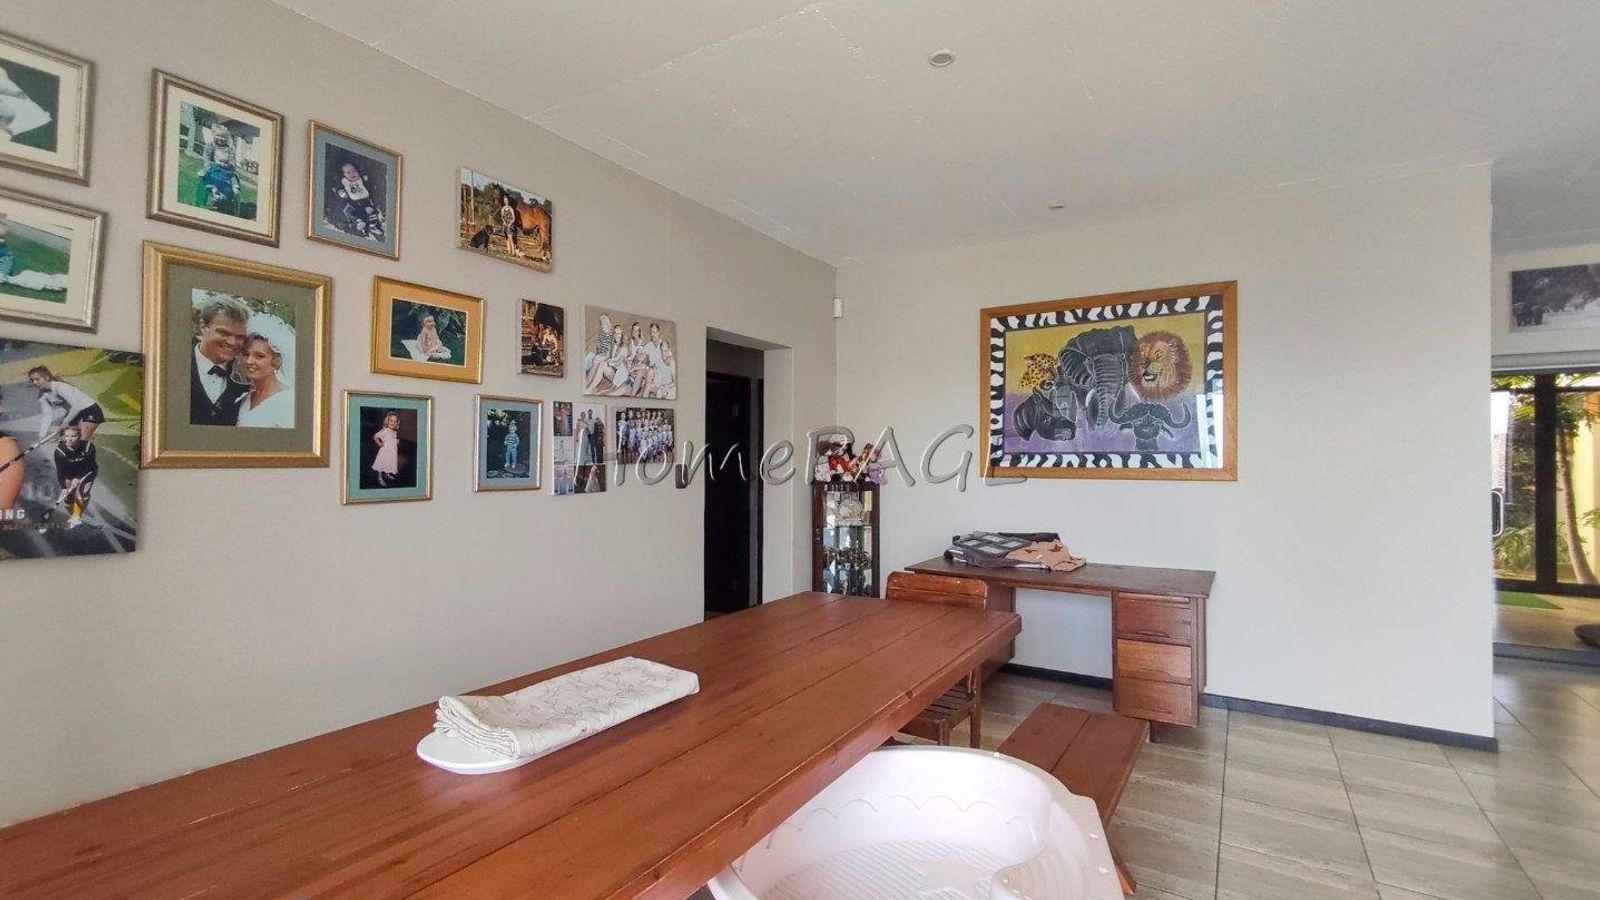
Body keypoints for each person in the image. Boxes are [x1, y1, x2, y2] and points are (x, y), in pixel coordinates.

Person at [191, 293, 251, 426]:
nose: (232, 342)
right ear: (203, 328)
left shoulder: (247, 376)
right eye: (224, 333)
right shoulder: (174, 364)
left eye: (240, 337)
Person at [236, 314, 294, 429]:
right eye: (246, 354)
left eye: (259, 356)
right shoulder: (244, 397)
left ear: (276, 361)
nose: (249, 361)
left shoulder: (287, 401)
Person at [28, 366, 103, 444]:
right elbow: (47, 416)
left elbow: (76, 406)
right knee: (66, 442)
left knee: (80, 442)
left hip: (89, 410)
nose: (34, 383)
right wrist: (42, 436)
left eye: (37, 379)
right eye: (32, 380)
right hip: (74, 414)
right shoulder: (42, 395)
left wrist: (65, 422)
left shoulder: (60, 387)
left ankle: (88, 439)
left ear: (47, 377)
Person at [52, 424, 96, 529]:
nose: (70, 439)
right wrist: (63, 487)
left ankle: (76, 517)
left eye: (73, 436)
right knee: (68, 496)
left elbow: (89, 465)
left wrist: (78, 478)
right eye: (67, 436)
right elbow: (60, 470)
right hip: (69, 472)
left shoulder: (88, 447)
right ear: (63, 437)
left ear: (79, 436)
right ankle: (73, 514)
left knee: (84, 492)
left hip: (87, 471)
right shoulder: (60, 452)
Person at [333, 161, 385, 241]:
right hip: (352, 204)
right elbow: (338, 189)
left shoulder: (361, 180)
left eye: (354, 171)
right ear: (343, 175)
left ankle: (373, 226)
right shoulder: (344, 183)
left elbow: (369, 188)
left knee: (371, 211)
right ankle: (358, 222)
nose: (352, 174)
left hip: (365, 202)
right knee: (348, 211)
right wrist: (341, 192)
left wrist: (366, 180)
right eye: (348, 172)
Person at [197, 122, 241, 213]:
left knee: (230, 178)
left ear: (227, 138)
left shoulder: (230, 149)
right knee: (211, 175)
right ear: (213, 135)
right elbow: (207, 158)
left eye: (223, 137)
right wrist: (213, 164)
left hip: (226, 169)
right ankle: (214, 190)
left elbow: (232, 160)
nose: (220, 138)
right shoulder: (211, 145)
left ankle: (224, 196)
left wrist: (229, 165)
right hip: (214, 168)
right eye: (218, 136)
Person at [371, 410, 401, 487]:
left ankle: (387, 474)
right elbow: (375, 436)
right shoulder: (385, 431)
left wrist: (396, 441)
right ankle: (380, 477)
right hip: (385, 452)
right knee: (382, 464)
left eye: (395, 421)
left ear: (397, 423)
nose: (392, 423)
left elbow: (391, 440)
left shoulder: (394, 432)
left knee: (389, 463)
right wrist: (379, 443)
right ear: (387, 421)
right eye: (391, 421)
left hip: (392, 453)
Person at [499, 191, 518, 256]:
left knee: (511, 238)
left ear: (508, 201)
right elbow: (502, 216)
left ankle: (513, 252)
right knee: (507, 238)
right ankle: (509, 251)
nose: (506, 201)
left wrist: (510, 224)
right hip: (505, 225)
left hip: (510, 225)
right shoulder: (503, 208)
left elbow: (513, 218)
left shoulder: (511, 209)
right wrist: (504, 221)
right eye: (505, 200)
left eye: (506, 200)